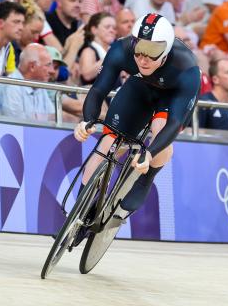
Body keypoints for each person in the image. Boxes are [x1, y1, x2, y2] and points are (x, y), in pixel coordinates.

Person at [73, 13, 201, 220]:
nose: (143, 59)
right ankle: (79, 212)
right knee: (108, 143)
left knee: (160, 130)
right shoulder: (121, 49)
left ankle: (147, 177)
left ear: (166, 50)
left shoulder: (187, 68)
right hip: (140, 87)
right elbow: (98, 91)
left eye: (152, 52)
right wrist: (87, 120)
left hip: (173, 98)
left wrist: (149, 154)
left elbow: (175, 122)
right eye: (139, 50)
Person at [0, 43, 55, 121]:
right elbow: (17, 127)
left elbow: (52, 119)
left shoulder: (39, 85)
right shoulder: (11, 86)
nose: (52, 71)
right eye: (48, 65)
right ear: (32, 66)